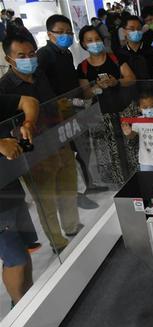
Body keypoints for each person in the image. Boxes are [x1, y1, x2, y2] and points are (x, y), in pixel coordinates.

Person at [0, 34, 82, 252]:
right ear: (9, 59)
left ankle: (72, 226)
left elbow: (52, 104)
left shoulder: (40, 75)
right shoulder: (5, 87)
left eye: (32, 54)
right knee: (45, 200)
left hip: (58, 139)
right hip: (33, 151)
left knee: (68, 188)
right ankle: (58, 242)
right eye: (21, 56)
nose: (29, 59)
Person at [38, 14, 102, 209]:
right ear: (50, 34)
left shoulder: (66, 54)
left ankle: (89, 184)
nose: (66, 36)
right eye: (61, 32)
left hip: (73, 108)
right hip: (56, 113)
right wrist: (57, 103)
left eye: (69, 32)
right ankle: (76, 194)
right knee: (69, 153)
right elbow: (42, 85)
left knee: (82, 147)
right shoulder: (45, 54)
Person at [77, 25, 136, 185]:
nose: (94, 43)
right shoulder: (82, 67)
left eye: (97, 39)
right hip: (101, 115)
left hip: (125, 109)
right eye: (89, 40)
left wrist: (116, 81)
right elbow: (86, 93)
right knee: (109, 150)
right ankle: (119, 184)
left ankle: (138, 178)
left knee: (132, 145)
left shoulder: (116, 58)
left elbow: (131, 78)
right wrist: (96, 89)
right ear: (83, 44)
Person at [0, 94, 39, 305]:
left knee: (24, 248)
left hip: (11, 188)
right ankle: (20, 307)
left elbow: (29, 102)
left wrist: (28, 123)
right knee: (15, 258)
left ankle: (30, 300)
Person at [122, 92, 153, 178]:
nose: (149, 109)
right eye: (145, 107)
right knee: (148, 184)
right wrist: (128, 133)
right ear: (139, 108)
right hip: (145, 161)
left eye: (152, 106)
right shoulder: (138, 120)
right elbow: (132, 135)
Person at [116, 15, 153, 80]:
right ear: (124, 31)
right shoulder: (121, 53)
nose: (136, 31)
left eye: (138, 28)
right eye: (132, 29)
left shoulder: (152, 50)